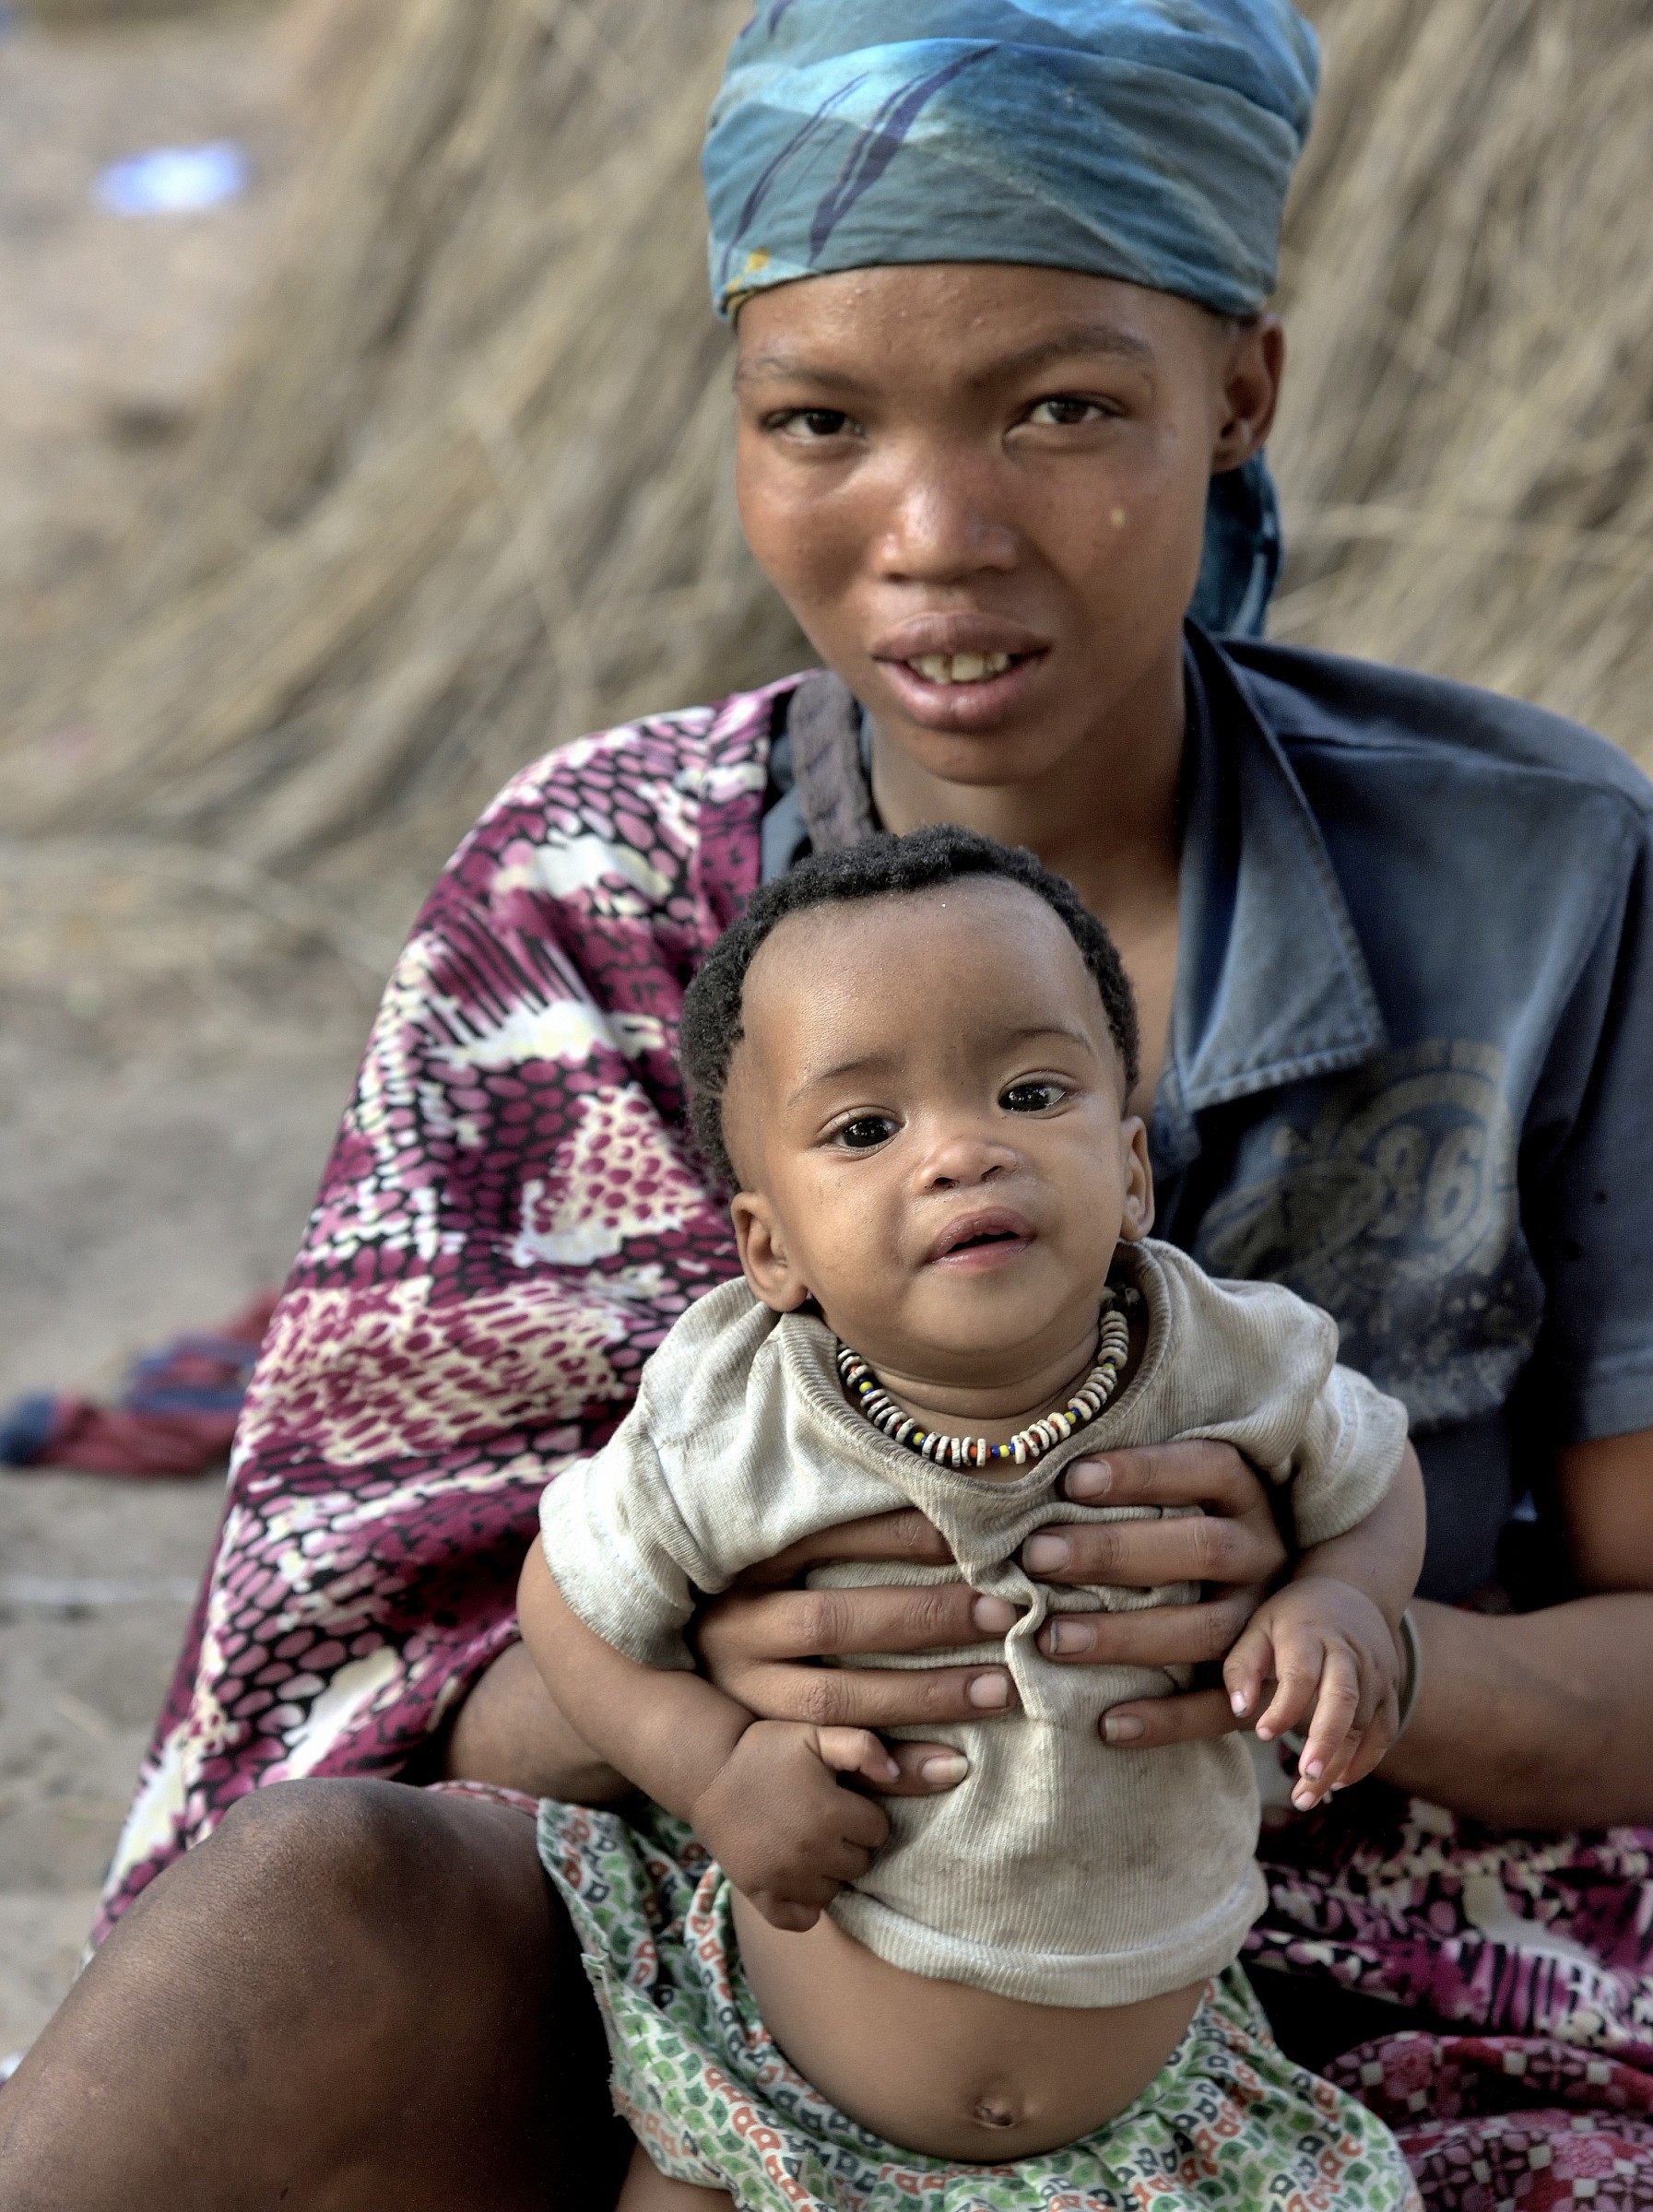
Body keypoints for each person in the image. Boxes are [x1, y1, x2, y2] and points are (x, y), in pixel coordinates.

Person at [4, 2, 1651, 2206]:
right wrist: (691, 1695)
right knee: (315, 1899)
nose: (937, 530)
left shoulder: (1546, 880)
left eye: (1065, 407)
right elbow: (370, 1689)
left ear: (1239, 390)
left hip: (1343, 2003)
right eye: (820, 419)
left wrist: (1339, 1645)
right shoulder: (589, 898)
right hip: (725, 1950)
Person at [522, 824, 1424, 2209]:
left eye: (1028, 1090)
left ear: (1128, 1168)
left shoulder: (1232, 1360)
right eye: (865, 1130)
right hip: (772, 2099)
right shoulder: (731, 1423)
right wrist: (706, 1766)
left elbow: (1373, 1472)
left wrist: (1344, 1600)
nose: (961, 1154)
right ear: (769, 1247)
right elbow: (563, 1598)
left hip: (1164, 2119)